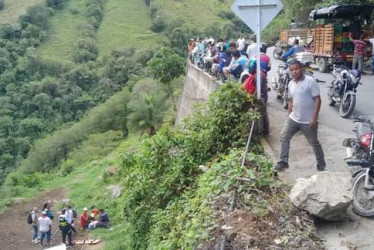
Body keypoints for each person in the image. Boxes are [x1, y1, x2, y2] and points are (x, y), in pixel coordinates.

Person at [274, 60, 326, 171]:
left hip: (308, 121)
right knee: (284, 136)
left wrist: (314, 117)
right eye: (292, 70)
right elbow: (291, 101)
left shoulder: (310, 81)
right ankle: (283, 161)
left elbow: (317, 100)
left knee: (314, 142)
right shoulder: (291, 83)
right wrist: (289, 115)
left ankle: (321, 163)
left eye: (296, 69)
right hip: (294, 118)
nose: (295, 72)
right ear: (290, 71)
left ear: (301, 68)